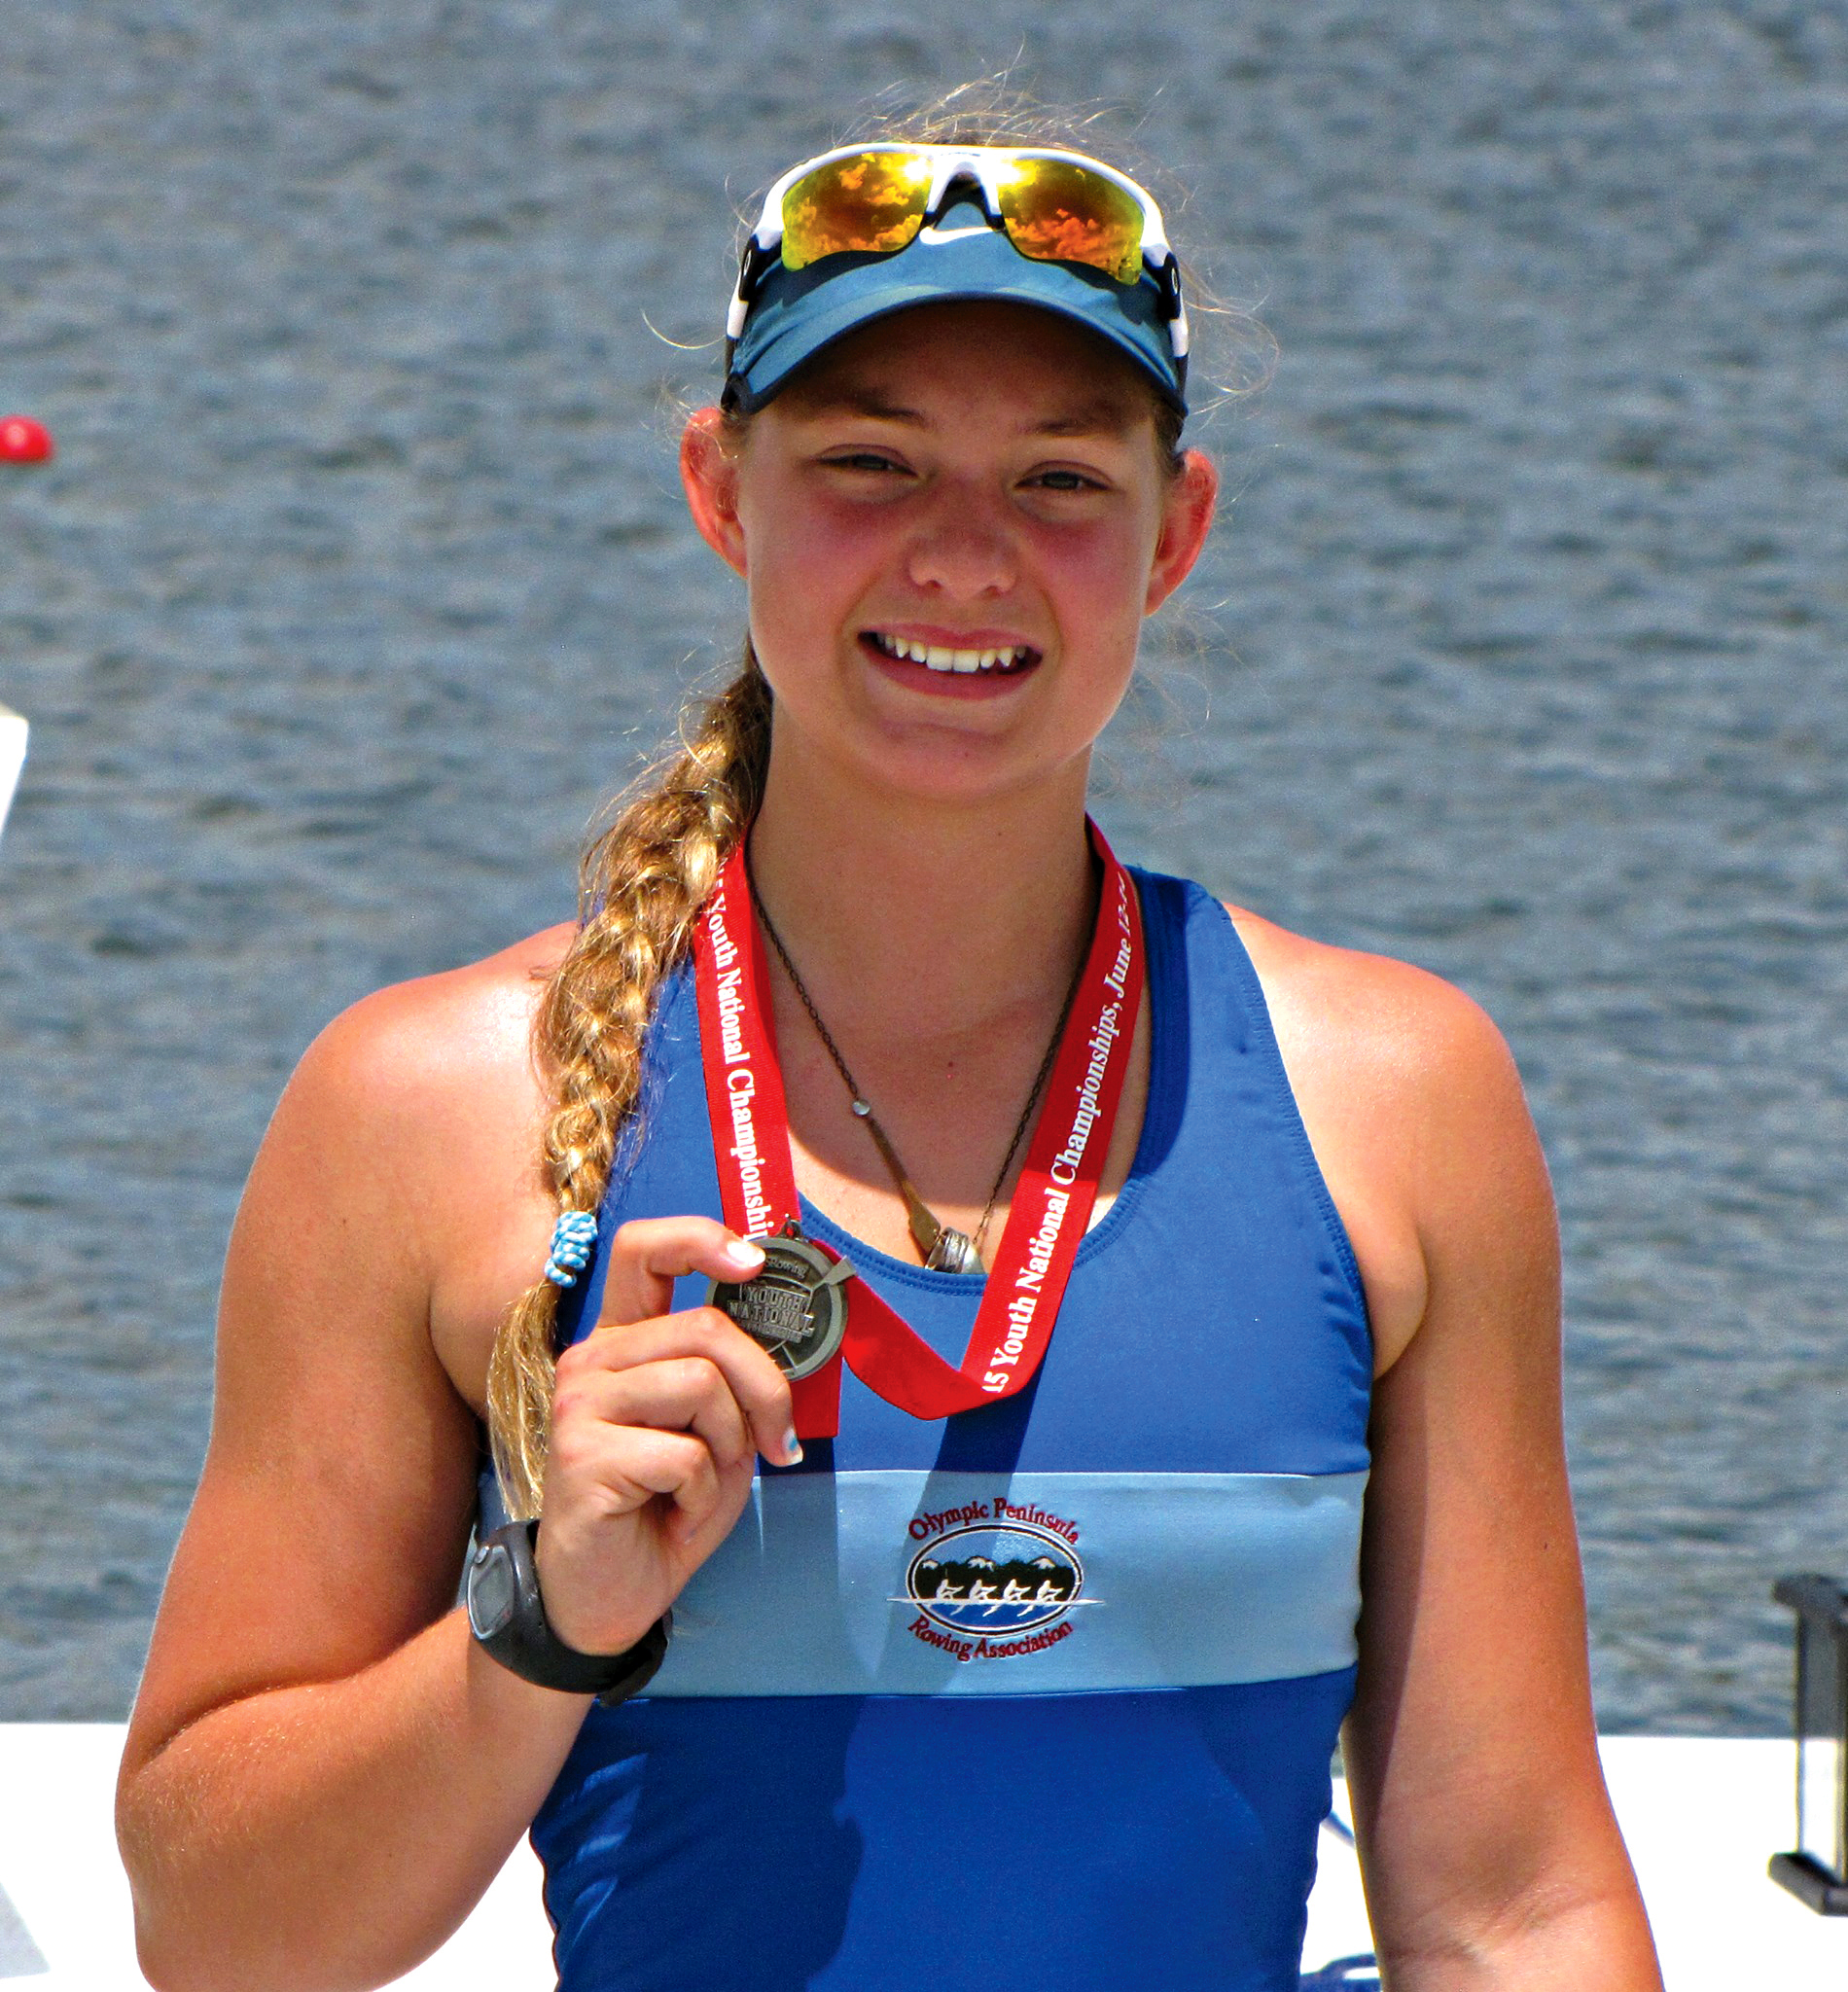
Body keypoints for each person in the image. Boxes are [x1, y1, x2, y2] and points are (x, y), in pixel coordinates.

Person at [116, 99, 1664, 1992]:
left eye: (1056, 483)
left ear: (1172, 532)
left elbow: (1511, 1909)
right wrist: (542, 1619)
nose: (960, 557)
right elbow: (216, 1935)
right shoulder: (433, 1111)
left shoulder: (1392, 1100)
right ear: (717, 488)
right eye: (869, 462)